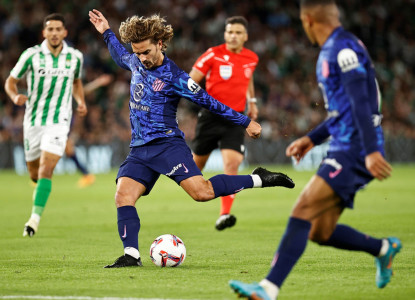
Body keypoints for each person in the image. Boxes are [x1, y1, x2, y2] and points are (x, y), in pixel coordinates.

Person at [88, 9, 295, 268]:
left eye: (146, 52)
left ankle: (259, 178)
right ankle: (131, 255)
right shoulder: (134, 62)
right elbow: (121, 55)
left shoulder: (176, 78)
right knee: (123, 196)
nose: (142, 58)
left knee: (202, 193)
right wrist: (106, 32)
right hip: (139, 150)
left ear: (160, 44)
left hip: (167, 145)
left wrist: (246, 121)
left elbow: (210, 102)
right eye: (137, 52)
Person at [229, 1, 401, 299]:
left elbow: (362, 102)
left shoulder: (342, 50)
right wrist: (312, 139)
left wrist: (371, 150)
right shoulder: (336, 49)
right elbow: (341, 111)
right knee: (320, 231)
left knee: (302, 210)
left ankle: (268, 288)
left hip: (356, 148)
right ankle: (383, 248)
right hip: (346, 144)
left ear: (307, 20)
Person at [4, 13, 87, 237]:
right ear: (44, 33)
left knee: (46, 169)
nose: (54, 33)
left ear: (65, 32)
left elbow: (77, 81)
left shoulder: (75, 57)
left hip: (60, 121)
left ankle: (33, 219)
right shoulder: (31, 55)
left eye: (58, 29)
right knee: (34, 171)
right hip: (33, 121)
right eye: (50, 29)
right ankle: (38, 186)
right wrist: (14, 97)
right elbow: (11, 81)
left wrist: (80, 101)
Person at [189, 16, 259, 231]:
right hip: (210, 117)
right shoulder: (213, 54)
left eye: (238, 32)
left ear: (245, 36)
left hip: (235, 118)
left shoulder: (251, 58)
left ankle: (224, 213)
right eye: (230, 32)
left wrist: (252, 101)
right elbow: (191, 80)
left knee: (232, 164)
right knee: (194, 168)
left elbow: (247, 78)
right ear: (225, 34)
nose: (233, 36)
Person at [65, 74, 113, 188]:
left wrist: (98, 82)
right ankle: (86, 175)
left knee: (67, 148)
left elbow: (83, 91)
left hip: (63, 121)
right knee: (67, 149)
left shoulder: (63, 89)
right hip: (60, 121)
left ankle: (87, 175)